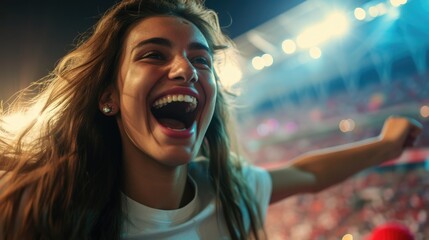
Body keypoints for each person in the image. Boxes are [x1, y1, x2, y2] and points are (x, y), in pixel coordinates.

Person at [0, 0, 423, 239]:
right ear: (107, 96)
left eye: (200, 60)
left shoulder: (229, 192)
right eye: (153, 54)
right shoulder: (42, 212)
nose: (186, 70)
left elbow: (304, 173)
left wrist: (385, 147)